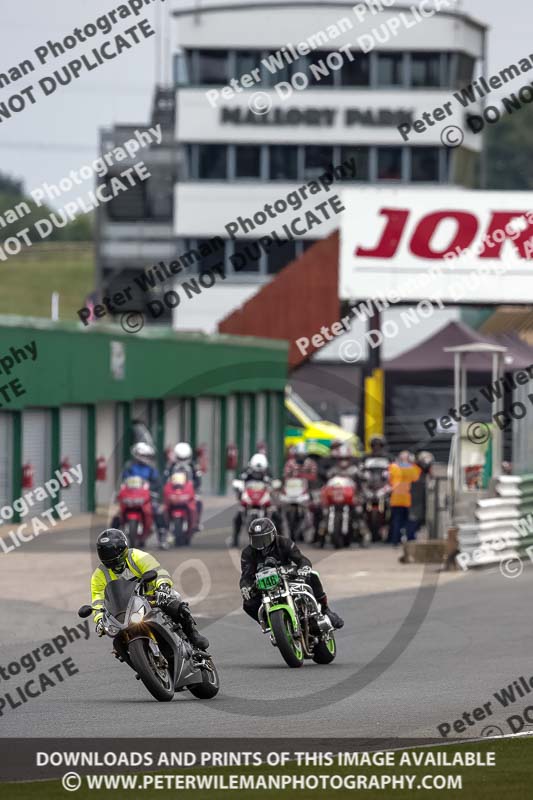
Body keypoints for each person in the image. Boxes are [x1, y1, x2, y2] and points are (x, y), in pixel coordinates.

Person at [91, 528, 209, 650]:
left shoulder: (137, 556)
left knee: (175, 604)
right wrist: (100, 619)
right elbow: (98, 600)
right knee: (117, 641)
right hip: (125, 611)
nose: (115, 564)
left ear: (124, 550)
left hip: (153, 598)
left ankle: (192, 634)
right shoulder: (99, 575)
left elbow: (158, 571)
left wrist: (163, 587)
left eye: (117, 558)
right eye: (109, 560)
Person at [239, 518, 344, 629]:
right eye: (257, 540)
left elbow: (301, 559)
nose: (261, 544)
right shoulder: (248, 553)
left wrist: (304, 568)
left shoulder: (284, 542)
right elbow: (246, 575)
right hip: (264, 586)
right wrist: (245, 587)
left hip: (287, 577)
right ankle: (269, 623)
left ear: (273, 534)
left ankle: (325, 610)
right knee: (248, 604)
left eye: (264, 538)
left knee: (312, 575)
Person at [112, 442, 168, 550]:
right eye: (144, 456)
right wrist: (119, 491)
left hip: (146, 497)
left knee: (157, 512)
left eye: (148, 456)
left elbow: (157, 483)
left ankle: (162, 538)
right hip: (130, 496)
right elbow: (122, 481)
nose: (146, 458)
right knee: (118, 515)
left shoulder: (151, 470)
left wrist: (153, 490)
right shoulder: (129, 467)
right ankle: (111, 539)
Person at [232, 453, 276, 547]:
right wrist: (238, 487)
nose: (258, 473)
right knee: (238, 516)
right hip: (249, 498)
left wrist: (273, 487)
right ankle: (235, 539)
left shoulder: (268, 472)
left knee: (276, 515)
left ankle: (279, 540)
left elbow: (273, 483)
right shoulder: (245, 472)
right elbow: (239, 482)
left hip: (263, 498)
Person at [164, 442, 203, 530]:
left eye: (184, 458)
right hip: (174, 491)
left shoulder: (193, 466)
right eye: (180, 458)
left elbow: (198, 479)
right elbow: (165, 478)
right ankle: (165, 525)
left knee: (198, 503)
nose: (182, 461)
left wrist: (196, 488)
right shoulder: (171, 466)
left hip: (189, 491)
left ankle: (196, 522)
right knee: (164, 506)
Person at [388, 451, 422, 546]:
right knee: (408, 521)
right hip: (408, 499)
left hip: (396, 498)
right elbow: (417, 477)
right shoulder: (414, 469)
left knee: (396, 521)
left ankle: (395, 540)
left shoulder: (393, 467)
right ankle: (409, 540)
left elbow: (389, 479)